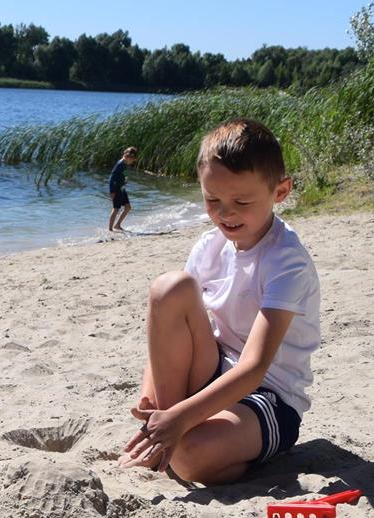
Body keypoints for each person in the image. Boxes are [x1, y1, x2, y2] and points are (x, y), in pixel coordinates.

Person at [120, 118, 320, 486]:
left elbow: (255, 367)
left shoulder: (286, 260)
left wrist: (181, 418)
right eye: (212, 200)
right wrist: (152, 397)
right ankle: (165, 432)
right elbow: (169, 327)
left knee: (189, 456)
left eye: (241, 202)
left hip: (268, 396)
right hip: (213, 370)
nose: (225, 213)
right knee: (170, 288)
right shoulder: (209, 246)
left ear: (280, 191)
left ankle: (180, 437)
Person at [108, 146, 138, 231]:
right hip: (117, 189)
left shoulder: (125, 164)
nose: (132, 162)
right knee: (116, 209)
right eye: (132, 160)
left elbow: (122, 176)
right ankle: (110, 229)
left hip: (122, 189)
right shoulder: (120, 164)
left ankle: (117, 225)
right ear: (127, 157)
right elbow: (112, 178)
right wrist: (112, 191)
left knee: (128, 207)